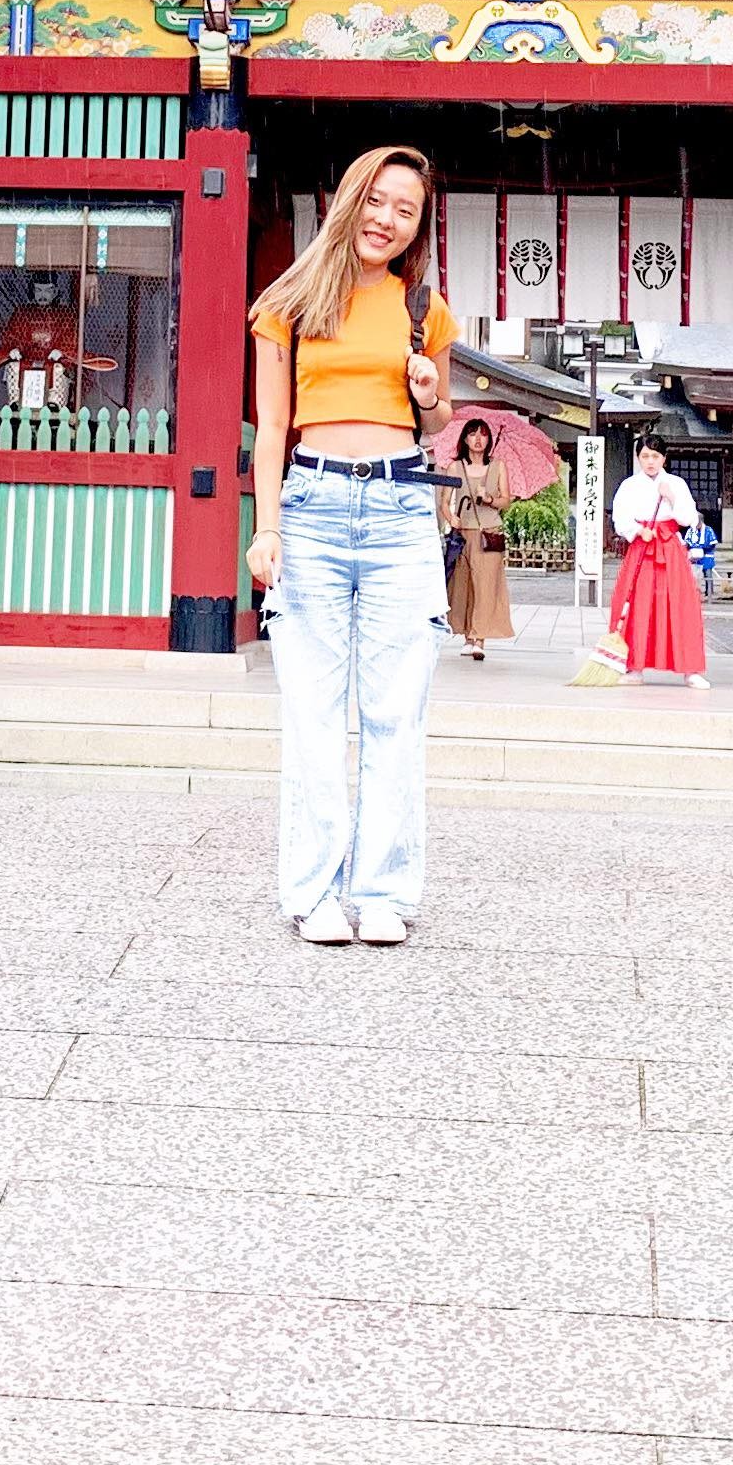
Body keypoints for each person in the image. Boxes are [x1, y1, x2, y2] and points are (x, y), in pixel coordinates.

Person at [247, 144, 455, 946]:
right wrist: (266, 529)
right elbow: (271, 429)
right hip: (312, 504)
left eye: (406, 211)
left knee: (396, 710)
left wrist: (432, 397)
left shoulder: (422, 310)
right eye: (378, 201)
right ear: (349, 200)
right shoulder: (289, 303)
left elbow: (436, 422)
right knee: (313, 711)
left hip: (403, 504)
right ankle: (314, 892)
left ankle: (384, 893)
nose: (388, 221)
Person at [586, 440, 707, 685]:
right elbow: (620, 519)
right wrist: (638, 531)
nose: (650, 461)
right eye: (645, 456)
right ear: (638, 458)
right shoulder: (629, 486)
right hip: (642, 546)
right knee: (637, 604)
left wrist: (671, 497)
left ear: (664, 458)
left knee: (680, 604)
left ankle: (690, 669)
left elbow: (689, 518)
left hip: (670, 549)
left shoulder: (676, 484)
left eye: (655, 456)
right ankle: (634, 667)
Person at [442, 420, 517, 659]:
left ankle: (479, 638)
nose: (478, 439)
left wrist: (489, 498)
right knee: (463, 585)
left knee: (486, 585)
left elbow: (506, 500)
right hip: (463, 532)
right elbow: (445, 501)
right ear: (464, 439)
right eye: (473, 434)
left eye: (483, 435)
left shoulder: (498, 466)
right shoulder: (456, 467)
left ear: (489, 440)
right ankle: (467, 635)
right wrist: (450, 516)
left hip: (489, 532)